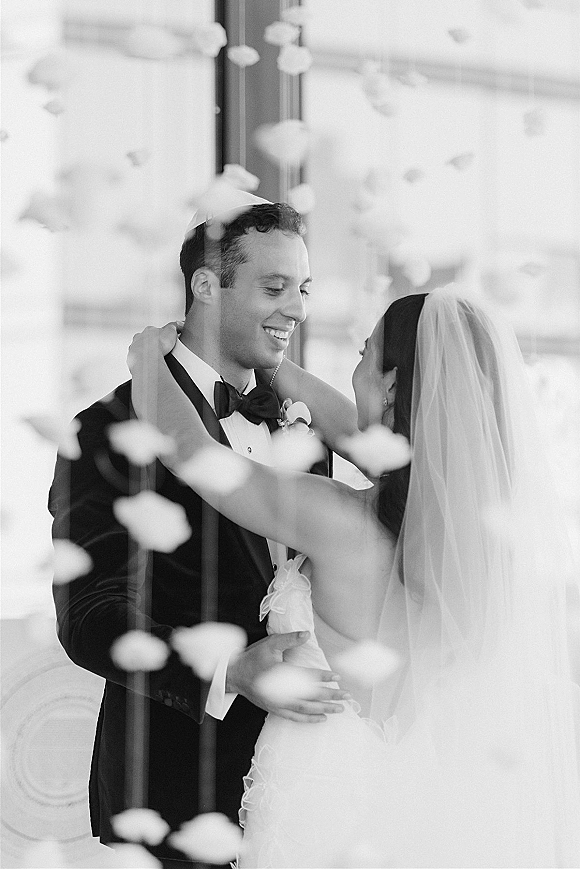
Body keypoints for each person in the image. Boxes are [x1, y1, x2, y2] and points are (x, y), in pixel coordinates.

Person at [129, 285, 580, 868]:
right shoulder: (482, 541)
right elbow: (379, 439)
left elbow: (192, 450)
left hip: (320, 810)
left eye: (365, 356)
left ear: (392, 386)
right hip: (423, 814)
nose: (354, 371)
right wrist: (275, 364)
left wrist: (145, 360)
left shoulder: (333, 518)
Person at [49, 192, 343, 867]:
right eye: (274, 287)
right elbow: (90, 615)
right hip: (175, 791)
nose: (296, 308)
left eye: (302, 288)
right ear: (206, 285)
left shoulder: (301, 421)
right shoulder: (107, 429)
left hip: (305, 781)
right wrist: (231, 669)